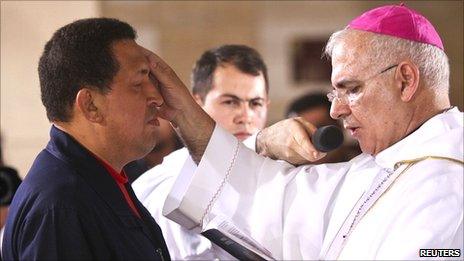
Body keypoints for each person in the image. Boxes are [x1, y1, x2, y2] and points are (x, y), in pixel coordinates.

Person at [142, 3, 463, 260]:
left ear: (405, 81)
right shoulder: (373, 168)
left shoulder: (449, 182)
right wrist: (186, 114)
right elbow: (273, 196)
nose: (336, 111)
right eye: (334, 93)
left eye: (351, 89)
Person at [1, 18, 170, 260]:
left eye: (151, 81)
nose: (157, 97)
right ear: (90, 105)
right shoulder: (60, 206)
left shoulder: (102, 178)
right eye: (138, 83)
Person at [132, 44, 270, 260]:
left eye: (256, 103)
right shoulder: (156, 186)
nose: (245, 116)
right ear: (197, 103)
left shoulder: (284, 178)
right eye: (230, 102)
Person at [286, 92, 361, 163]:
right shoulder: (283, 172)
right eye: (303, 131)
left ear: (340, 126)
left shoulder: (365, 163)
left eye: (321, 130)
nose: (312, 140)